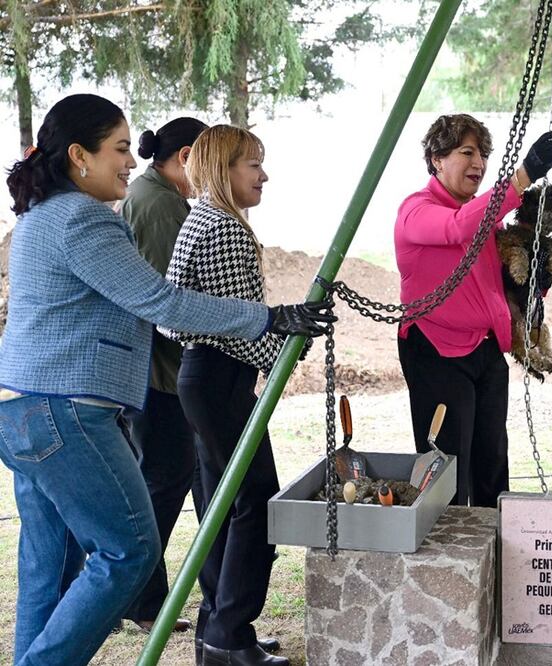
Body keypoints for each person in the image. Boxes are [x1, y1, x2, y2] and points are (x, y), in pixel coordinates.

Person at [0, 95, 334, 666]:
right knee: (128, 553)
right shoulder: (83, 219)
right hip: (67, 411)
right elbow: (161, 301)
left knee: (48, 564)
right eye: (120, 149)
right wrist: (269, 318)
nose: (132, 161)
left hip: (20, 408)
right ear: (79, 155)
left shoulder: (39, 215)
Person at [164, 124, 321, 666]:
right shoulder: (227, 229)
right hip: (221, 377)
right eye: (253, 164)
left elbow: (186, 320)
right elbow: (238, 329)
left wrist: (280, 332)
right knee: (255, 501)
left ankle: (217, 628)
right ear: (222, 168)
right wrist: (290, 343)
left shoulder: (199, 218)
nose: (264, 175)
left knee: (221, 506)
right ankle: (230, 634)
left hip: (201, 377)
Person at [395, 114, 552, 507]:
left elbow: (497, 284)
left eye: (483, 154)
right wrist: (522, 177)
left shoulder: (484, 217)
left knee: (492, 463)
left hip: (485, 352)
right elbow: (456, 227)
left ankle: (495, 540)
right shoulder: (416, 210)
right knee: (447, 471)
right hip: (436, 351)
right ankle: (448, 546)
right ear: (437, 159)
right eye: (467, 152)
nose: (479, 163)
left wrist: (535, 281)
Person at [117, 116, 208, 635]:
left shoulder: (158, 196)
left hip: (165, 371)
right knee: (164, 480)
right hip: (161, 374)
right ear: (188, 156)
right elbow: (166, 301)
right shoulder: (157, 204)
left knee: (184, 477)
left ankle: (158, 597)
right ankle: (142, 599)